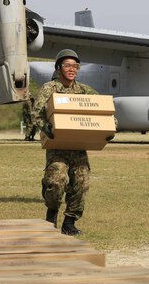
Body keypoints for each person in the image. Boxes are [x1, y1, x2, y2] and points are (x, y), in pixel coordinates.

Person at [34, 49, 110, 236]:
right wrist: (46, 128)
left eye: (75, 66)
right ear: (59, 68)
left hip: (78, 146)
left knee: (81, 184)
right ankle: (51, 215)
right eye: (67, 65)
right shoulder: (49, 88)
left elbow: (104, 110)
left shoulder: (85, 90)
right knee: (56, 182)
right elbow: (36, 113)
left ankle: (69, 222)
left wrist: (110, 128)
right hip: (57, 146)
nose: (72, 69)